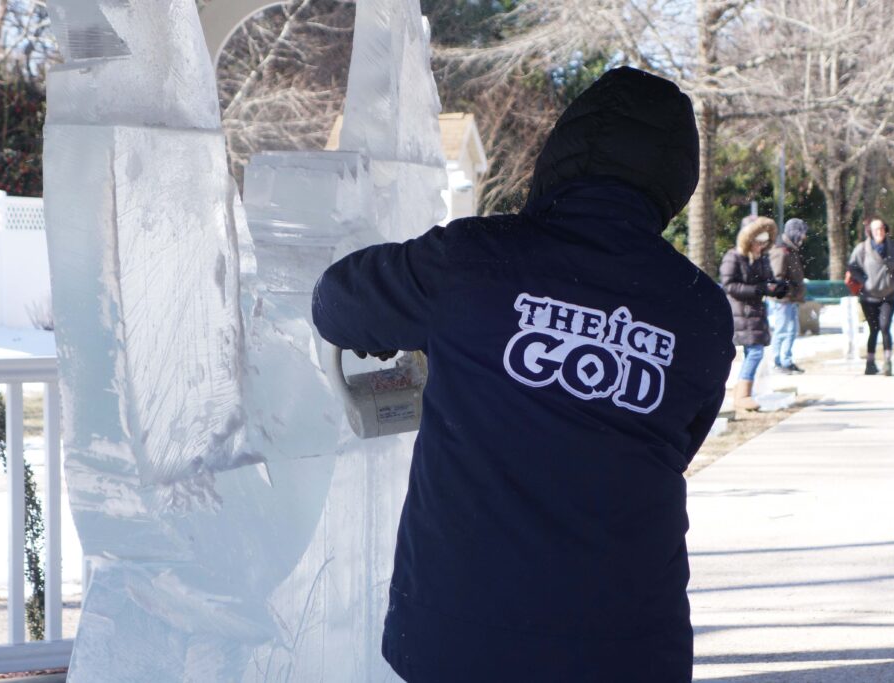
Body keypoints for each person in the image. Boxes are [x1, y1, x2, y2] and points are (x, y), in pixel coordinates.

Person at [312, 67, 735, 682]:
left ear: (563, 154)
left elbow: (335, 304)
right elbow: (681, 439)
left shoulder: (475, 259)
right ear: (676, 180)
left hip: (460, 636)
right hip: (629, 644)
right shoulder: (700, 311)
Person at [720, 216, 786, 410]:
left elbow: (767, 280)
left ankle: (744, 393)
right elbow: (729, 285)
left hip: (756, 312)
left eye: (763, 243)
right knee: (755, 352)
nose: (760, 246)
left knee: (755, 351)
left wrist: (777, 288)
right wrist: (757, 289)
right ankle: (742, 395)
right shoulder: (734, 256)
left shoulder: (762, 258)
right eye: (757, 242)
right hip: (742, 312)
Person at [847, 218, 894, 376]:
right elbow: (852, 267)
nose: (879, 232)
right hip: (869, 296)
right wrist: (865, 281)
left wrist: (893, 282)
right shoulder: (862, 249)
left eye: (881, 228)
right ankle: (870, 363)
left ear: (886, 230)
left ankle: (887, 362)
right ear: (870, 231)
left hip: (889, 295)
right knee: (873, 329)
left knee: (885, 327)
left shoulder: (892, 247)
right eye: (875, 229)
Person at [769, 217, 809, 374]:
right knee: (784, 329)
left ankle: (786, 359)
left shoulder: (791, 250)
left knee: (791, 329)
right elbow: (777, 277)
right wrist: (788, 290)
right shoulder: (782, 251)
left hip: (790, 298)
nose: (804, 237)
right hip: (783, 300)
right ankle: (778, 361)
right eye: (802, 233)